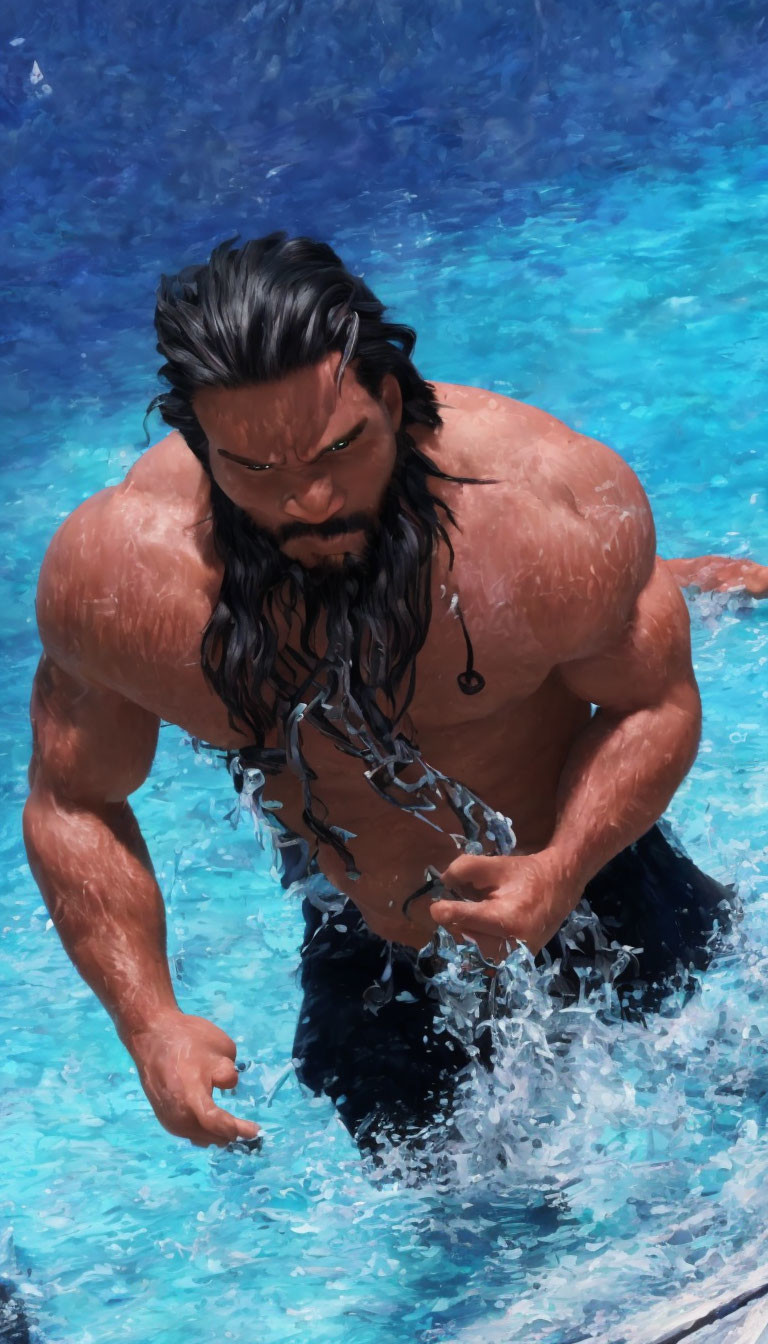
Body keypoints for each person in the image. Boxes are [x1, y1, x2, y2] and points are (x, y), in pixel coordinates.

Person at [24, 234, 744, 1156]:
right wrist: (149, 1020)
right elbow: (73, 799)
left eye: (341, 448)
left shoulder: (542, 513)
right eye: (257, 470)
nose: (311, 500)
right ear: (201, 446)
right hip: (371, 951)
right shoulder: (124, 583)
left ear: (392, 400)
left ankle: (682, 580)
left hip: (603, 887)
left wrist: (561, 865)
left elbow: (656, 702)